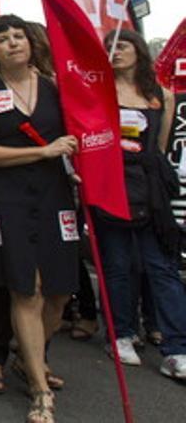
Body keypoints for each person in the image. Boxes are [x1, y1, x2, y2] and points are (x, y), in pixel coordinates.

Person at [0, 15, 79, 422]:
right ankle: (39, 387)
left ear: (31, 43)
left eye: (18, 36)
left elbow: (80, 137)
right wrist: (43, 152)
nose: (13, 43)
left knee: (59, 293)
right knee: (25, 290)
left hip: (55, 197)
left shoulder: (55, 88)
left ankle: (26, 356)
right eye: (2, 39)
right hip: (7, 197)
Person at [96, 29, 186, 381]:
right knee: (117, 264)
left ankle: (177, 347)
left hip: (150, 192)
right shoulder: (99, 92)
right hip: (112, 187)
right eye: (110, 47)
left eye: (123, 45)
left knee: (161, 268)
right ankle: (120, 333)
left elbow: (159, 148)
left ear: (139, 52)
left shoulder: (160, 96)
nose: (116, 52)